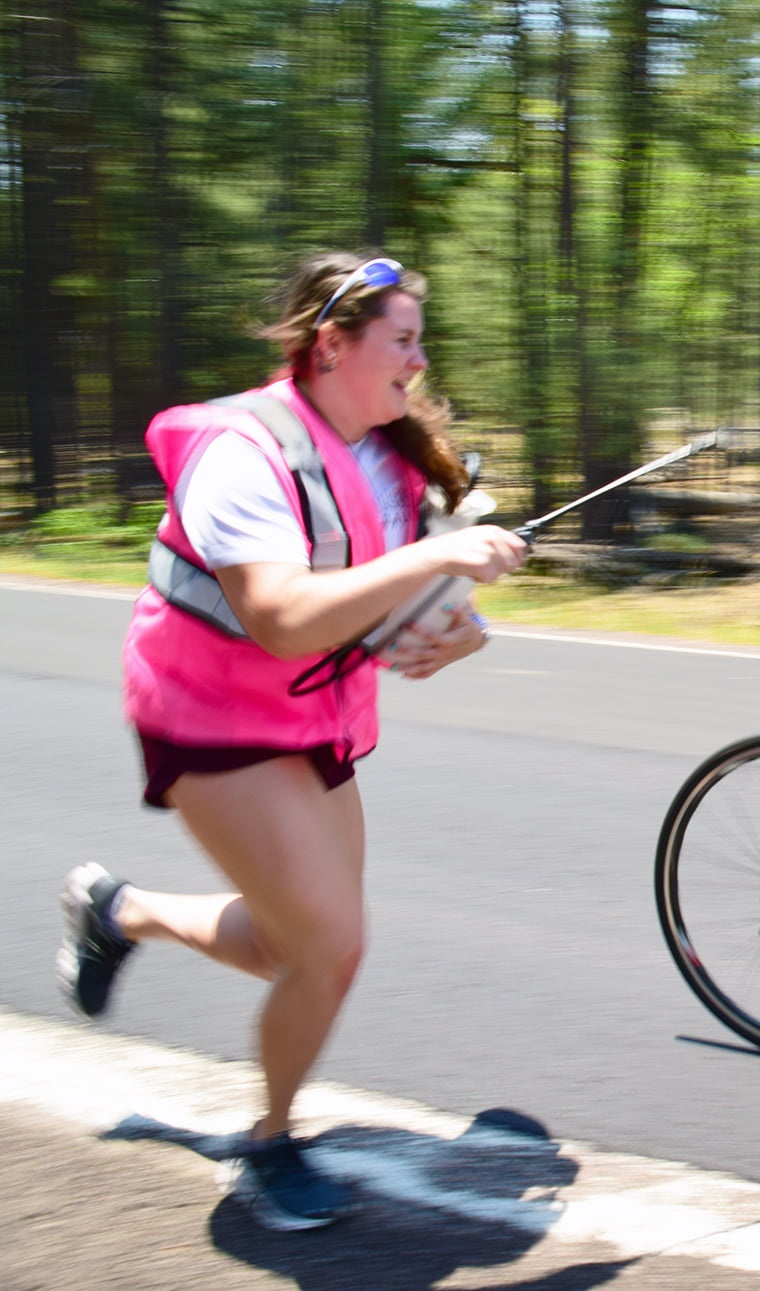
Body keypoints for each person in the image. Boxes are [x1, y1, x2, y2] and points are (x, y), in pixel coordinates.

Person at [54, 250, 528, 1231]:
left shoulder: (390, 461)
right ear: (330, 348)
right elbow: (279, 614)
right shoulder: (243, 451)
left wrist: (451, 629)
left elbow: (390, 603)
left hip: (309, 713)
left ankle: (117, 910)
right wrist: (438, 554)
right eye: (401, 341)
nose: (418, 361)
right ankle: (269, 1146)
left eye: (418, 341)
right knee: (330, 945)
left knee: (294, 942)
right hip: (208, 712)